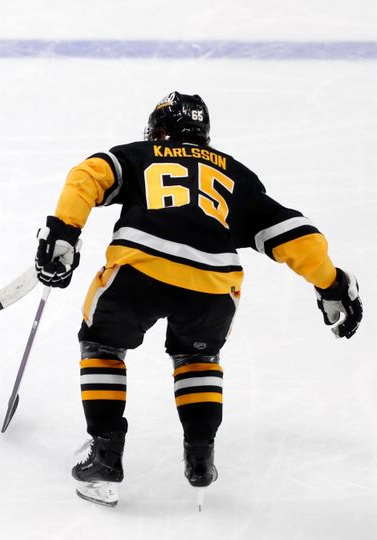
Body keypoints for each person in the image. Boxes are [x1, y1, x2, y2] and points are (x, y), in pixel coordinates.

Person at [34, 91, 363, 506]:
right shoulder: (237, 176)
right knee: (197, 359)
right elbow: (295, 234)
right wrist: (331, 283)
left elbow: (89, 174)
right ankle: (200, 458)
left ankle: (105, 454)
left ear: (161, 130)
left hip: (141, 269)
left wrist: (64, 232)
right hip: (213, 287)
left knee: (103, 345)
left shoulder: (141, 154)